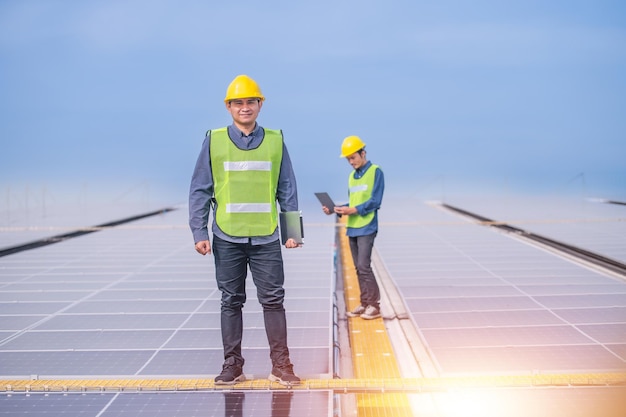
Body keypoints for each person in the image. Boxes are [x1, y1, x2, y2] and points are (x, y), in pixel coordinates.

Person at [189, 74, 301, 386]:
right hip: (227, 237)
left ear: (260, 105)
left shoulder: (276, 140)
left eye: (250, 101)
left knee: (273, 301)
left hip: (266, 236)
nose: (245, 107)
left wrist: (293, 232)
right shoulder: (214, 140)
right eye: (238, 102)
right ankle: (232, 366)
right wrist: (198, 231)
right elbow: (200, 189)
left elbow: (287, 188)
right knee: (230, 301)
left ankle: (282, 365)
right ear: (228, 107)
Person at [322, 135, 384, 320]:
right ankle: (365, 303)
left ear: (363, 153)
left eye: (353, 157)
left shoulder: (375, 171)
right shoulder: (352, 176)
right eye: (348, 159)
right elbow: (355, 201)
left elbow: (375, 201)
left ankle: (374, 305)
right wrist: (336, 209)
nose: (350, 162)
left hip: (367, 226)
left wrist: (353, 209)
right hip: (353, 226)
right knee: (358, 267)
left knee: (364, 266)